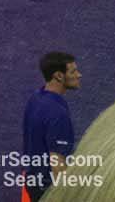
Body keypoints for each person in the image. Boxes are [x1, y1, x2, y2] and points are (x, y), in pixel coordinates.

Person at [21, 52, 82, 197]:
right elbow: (57, 162)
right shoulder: (58, 113)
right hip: (47, 190)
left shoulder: (36, 97)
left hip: (32, 180)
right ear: (59, 76)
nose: (79, 75)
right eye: (73, 71)